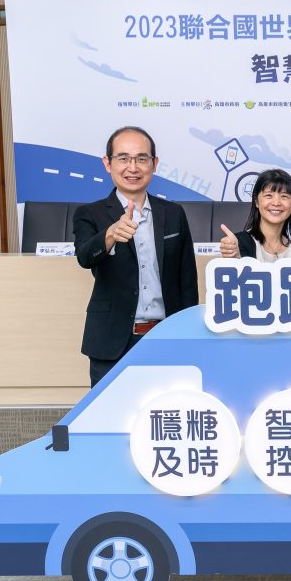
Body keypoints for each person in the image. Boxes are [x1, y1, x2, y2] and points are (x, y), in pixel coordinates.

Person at [73, 126, 198, 387]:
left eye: (142, 158)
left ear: (154, 164)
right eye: (123, 158)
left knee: (167, 408)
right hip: (111, 341)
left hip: (166, 337)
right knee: (111, 409)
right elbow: (85, 257)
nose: (133, 167)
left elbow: (187, 281)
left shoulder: (174, 213)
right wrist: (110, 235)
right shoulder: (90, 214)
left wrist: (188, 336)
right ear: (107, 164)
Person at [218, 169, 291, 260]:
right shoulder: (239, 243)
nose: (276, 203)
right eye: (269, 195)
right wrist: (235, 258)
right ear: (256, 201)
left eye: (284, 196)